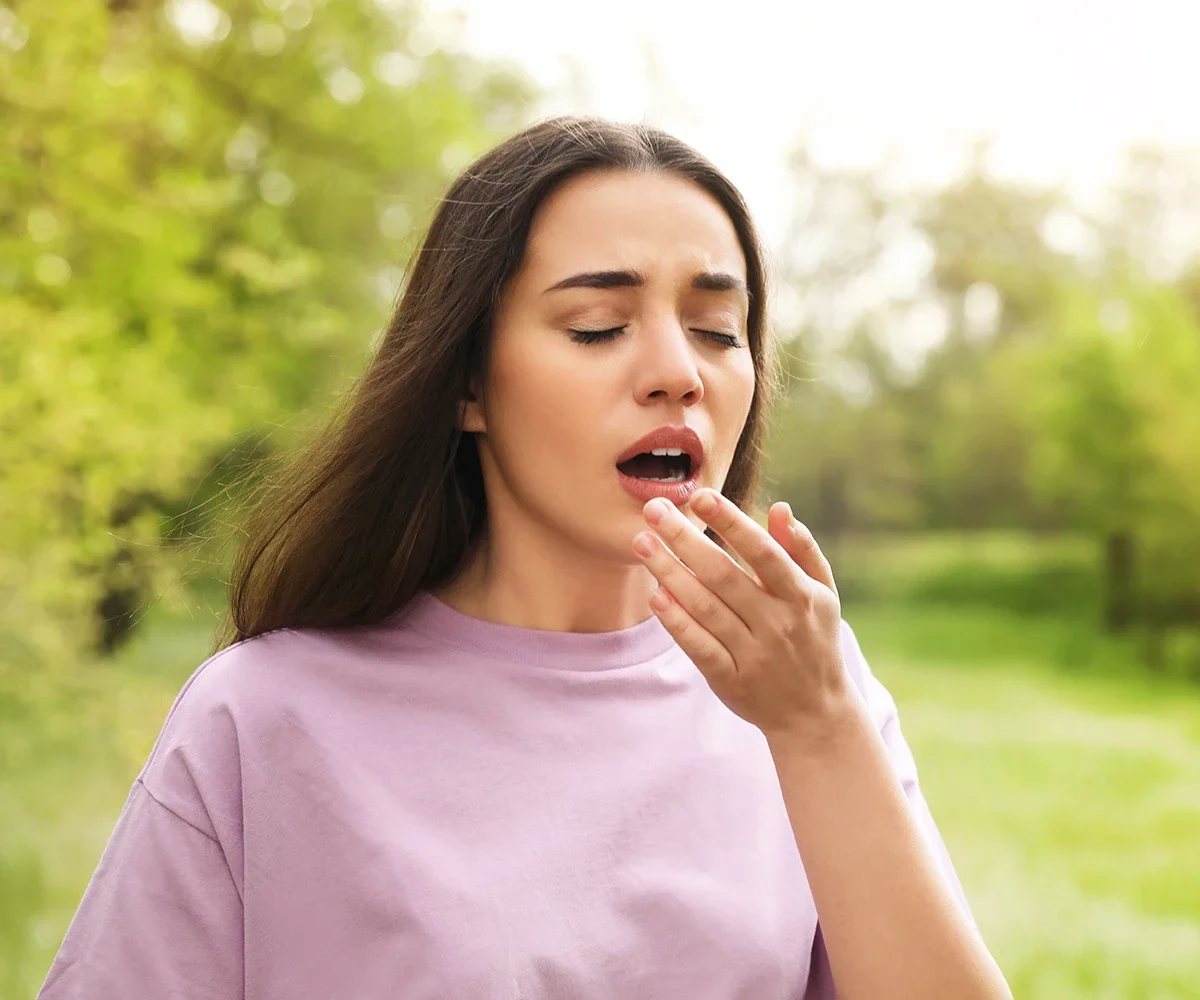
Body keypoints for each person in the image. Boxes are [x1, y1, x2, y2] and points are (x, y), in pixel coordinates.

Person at [37, 116, 1011, 1000]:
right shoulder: (259, 719)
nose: (678, 370)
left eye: (719, 328)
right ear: (467, 383)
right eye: (600, 325)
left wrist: (823, 727)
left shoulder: (813, 701)